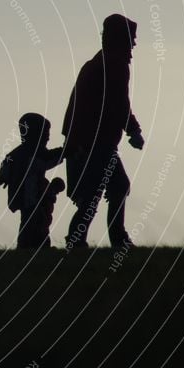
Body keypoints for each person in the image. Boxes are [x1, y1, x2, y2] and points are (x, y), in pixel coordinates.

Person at [62, 13, 145, 250]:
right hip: (95, 141)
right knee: (114, 187)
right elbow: (118, 102)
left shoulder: (98, 62)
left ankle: (79, 240)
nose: (135, 43)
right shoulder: (114, 64)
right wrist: (134, 130)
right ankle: (116, 239)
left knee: (94, 193)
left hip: (85, 140)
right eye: (132, 37)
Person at [0, 113, 64, 248]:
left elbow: (5, 167)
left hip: (21, 195)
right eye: (45, 132)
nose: (48, 136)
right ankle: (33, 247)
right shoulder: (35, 153)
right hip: (30, 196)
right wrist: (65, 152)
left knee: (32, 220)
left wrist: (1, 178)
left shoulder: (14, 153)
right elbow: (47, 160)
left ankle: (32, 246)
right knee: (37, 221)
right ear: (35, 133)